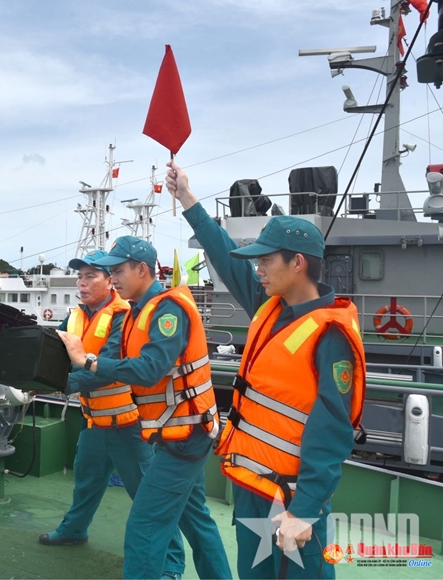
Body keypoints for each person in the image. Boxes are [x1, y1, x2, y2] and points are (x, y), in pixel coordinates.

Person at [165, 161, 366, 579]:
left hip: (290, 499)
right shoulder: (271, 307)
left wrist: (305, 511)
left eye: (265, 261)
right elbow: (225, 257)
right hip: (251, 485)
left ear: (298, 263)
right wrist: (186, 197)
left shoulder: (331, 337)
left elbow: (332, 430)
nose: (257, 269)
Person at [58, 238, 231, 580]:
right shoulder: (138, 311)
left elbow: (150, 369)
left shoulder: (168, 310)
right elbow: (124, 364)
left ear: (142, 269)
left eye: (118, 271)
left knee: (145, 524)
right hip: (173, 432)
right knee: (195, 520)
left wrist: (87, 362)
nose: (114, 278)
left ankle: (168, 569)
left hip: (184, 435)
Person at [39, 250, 186, 577]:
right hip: (94, 423)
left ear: (109, 281)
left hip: (127, 425)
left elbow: (107, 368)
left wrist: (60, 384)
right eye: (79, 277)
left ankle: (172, 562)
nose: (82, 283)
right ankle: (74, 530)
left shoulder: (124, 316)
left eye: (91, 276)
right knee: (86, 482)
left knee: (147, 496)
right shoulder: (74, 318)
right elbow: (52, 353)